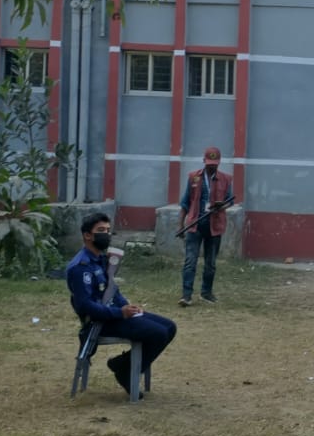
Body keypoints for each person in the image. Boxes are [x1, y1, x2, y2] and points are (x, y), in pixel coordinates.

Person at [66, 212, 177, 397]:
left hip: (115, 314)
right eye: (101, 230)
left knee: (170, 327)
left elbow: (112, 290)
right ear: (87, 235)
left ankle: (121, 364)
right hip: (99, 323)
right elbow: (85, 306)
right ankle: (125, 372)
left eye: (108, 230)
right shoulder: (80, 267)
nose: (106, 234)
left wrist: (128, 306)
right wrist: (120, 313)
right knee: (158, 333)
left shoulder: (102, 259)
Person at [177, 146, 235, 305]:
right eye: (209, 163)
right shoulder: (193, 178)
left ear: (219, 162)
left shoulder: (226, 179)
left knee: (210, 263)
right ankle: (186, 295)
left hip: (214, 226)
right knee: (190, 261)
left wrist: (221, 206)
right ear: (204, 161)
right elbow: (185, 203)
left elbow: (230, 200)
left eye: (214, 164)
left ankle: (206, 292)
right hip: (195, 225)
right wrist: (180, 225)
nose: (211, 166)